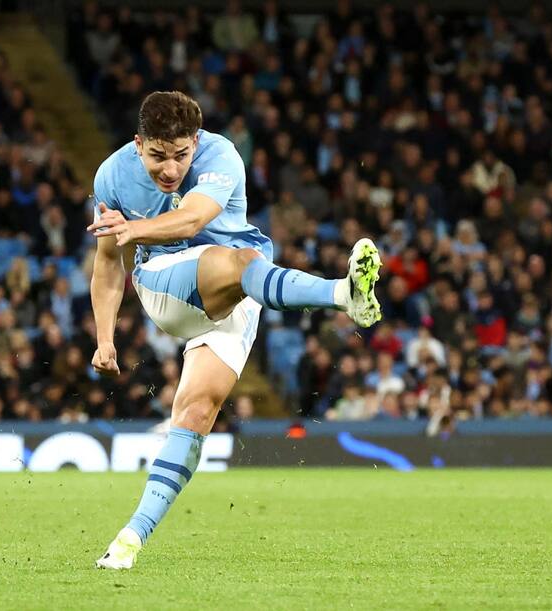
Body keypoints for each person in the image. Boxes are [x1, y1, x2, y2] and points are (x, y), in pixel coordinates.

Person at [89, 91, 382, 570]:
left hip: (238, 293)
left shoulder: (220, 154)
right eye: (158, 156)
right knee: (245, 261)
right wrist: (105, 339)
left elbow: (196, 217)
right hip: (165, 284)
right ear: (138, 144)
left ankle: (128, 540)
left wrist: (134, 230)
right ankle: (343, 295)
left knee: (197, 411)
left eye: (181, 155)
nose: (170, 169)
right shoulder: (112, 175)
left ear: (195, 141)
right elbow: (106, 264)